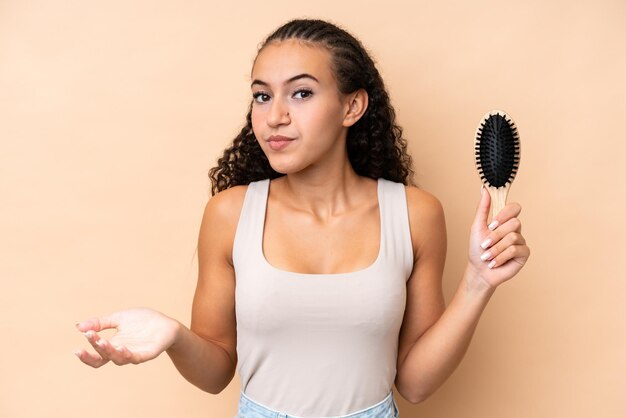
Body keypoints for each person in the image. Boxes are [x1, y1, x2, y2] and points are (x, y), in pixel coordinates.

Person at [74, 18, 530, 418]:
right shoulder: (229, 214)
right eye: (261, 95)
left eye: (302, 93)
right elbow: (215, 373)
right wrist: (173, 334)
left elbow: (414, 384)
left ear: (352, 106)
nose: (274, 116)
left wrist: (478, 282)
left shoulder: (415, 213)